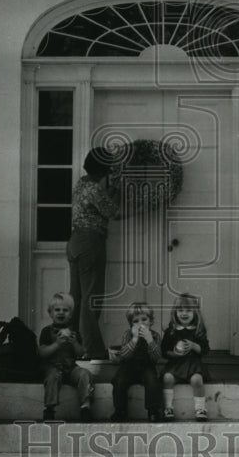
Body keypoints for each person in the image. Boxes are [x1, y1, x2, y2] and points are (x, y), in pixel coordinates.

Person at [66, 147, 120, 360]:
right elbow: (115, 212)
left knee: (76, 297)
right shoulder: (96, 190)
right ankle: (92, 349)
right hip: (90, 242)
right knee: (91, 297)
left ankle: (72, 345)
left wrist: (111, 187)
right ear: (104, 168)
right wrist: (145, 207)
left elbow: (101, 204)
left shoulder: (82, 184)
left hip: (75, 241)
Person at [37, 292, 94, 421]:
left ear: (71, 315)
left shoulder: (74, 332)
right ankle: (50, 409)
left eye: (65, 310)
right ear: (51, 313)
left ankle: (85, 407)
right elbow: (42, 352)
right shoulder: (46, 331)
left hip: (71, 368)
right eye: (57, 310)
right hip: (53, 367)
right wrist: (57, 344)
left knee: (84, 374)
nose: (61, 313)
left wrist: (74, 343)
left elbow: (81, 353)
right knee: (52, 377)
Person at [160, 292, 211, 421]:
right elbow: (164, 351)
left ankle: (200, 408)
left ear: (195, 313)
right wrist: (174, 353)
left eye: (188, 310)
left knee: (197, 380)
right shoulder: (171, 331)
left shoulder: (197, 330)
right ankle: (168, 407)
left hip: (193, 365)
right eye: (180, 310)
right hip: (175, 365)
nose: (184, 313)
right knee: (167, 378)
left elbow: (205, 350)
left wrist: (194, 345)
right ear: (175, 312)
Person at [111, 301, 163, 422]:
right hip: (128, 366)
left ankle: (153, 411)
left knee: (152, 380)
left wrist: (149, 340)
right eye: (136, 321)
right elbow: (124, 355)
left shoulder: (155, 336)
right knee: (119, 381)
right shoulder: (127, 335)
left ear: (151, 322)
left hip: (147, 366)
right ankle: (120, 410)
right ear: (131, 324)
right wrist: (134, 339)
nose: (140, 324)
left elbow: (157, 357)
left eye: (144, 319)